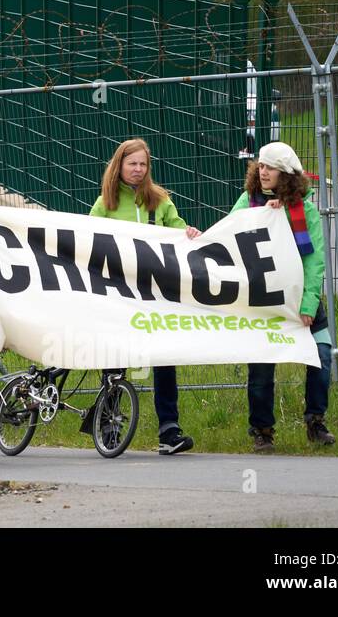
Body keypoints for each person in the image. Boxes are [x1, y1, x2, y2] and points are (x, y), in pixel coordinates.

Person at [89, 138, 201, 455]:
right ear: (119, 165)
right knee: (115, 362)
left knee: (164, 357)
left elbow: (179, 233)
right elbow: (85, 242)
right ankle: (109, 426)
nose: (138, 170)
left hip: (155, 295)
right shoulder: (104, 205)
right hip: (117, 296)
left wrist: (189, 233)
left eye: (143, 164)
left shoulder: (161, 202)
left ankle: (169, 430)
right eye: (132, 164)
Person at [233, 141, 334, 453]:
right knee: (262, 367)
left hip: (300, 299)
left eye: (271, 167)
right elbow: (230, 231)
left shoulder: (306, 209)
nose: (263, 172)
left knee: (322, 355)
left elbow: (314, 261)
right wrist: (264, 215)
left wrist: (308, 305)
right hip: (264, 299)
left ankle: (315, 421)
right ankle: (262, 431)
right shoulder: (249, 202)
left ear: (286, 173)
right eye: (261, 166)